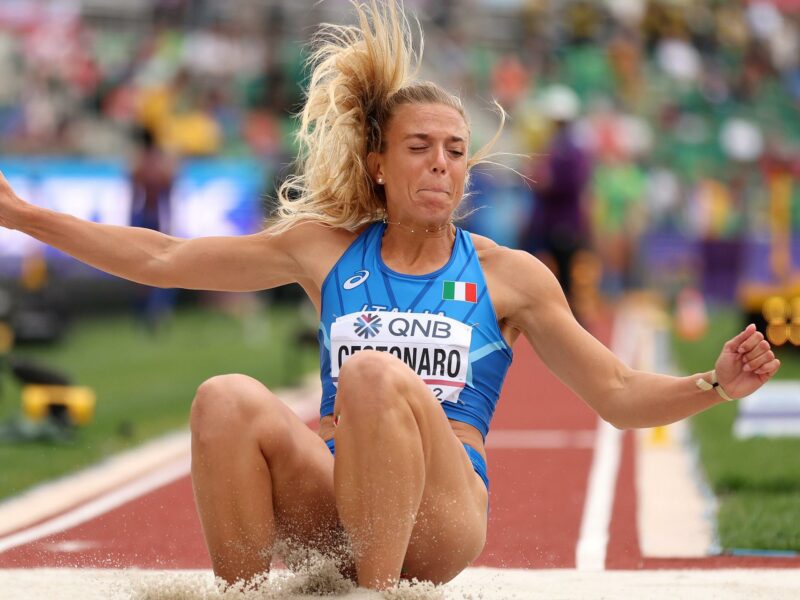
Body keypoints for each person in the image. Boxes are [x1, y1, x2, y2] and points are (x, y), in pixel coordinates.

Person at [0, 0, 781, 592]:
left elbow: (614, 390)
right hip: (339, 501)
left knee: (373, 373)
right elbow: (166, 257)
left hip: (443, 515)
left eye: (455, 151)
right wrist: (27, 215)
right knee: (225, 397)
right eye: (420, 148)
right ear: (378, 163)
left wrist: (713, 384)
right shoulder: (324, 250)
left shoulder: (511, 275)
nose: (441, 164)